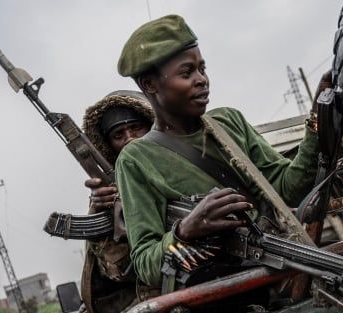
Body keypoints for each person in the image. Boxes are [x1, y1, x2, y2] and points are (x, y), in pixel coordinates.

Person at [115, 15, 328, 294]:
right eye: (186, 72)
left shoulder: (229, 123)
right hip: (223, 297)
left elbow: (287, 188)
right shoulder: (136, 160)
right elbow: (145, 263)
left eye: (202, 69)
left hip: (285, 271)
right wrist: (184, 232)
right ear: (149, 85)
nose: (201, 80)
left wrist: (317, 121)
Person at [68, 90, 154, 313]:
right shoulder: (109, 194)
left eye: (136, 128)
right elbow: (116, 270)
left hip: (161, 286)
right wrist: (102, 211)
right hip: (127, 290)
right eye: (119, 135)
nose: (129, 139)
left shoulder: (176, 162)